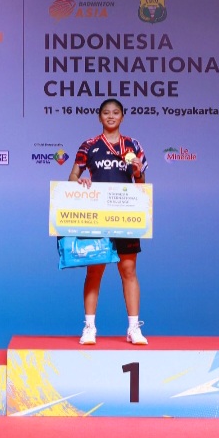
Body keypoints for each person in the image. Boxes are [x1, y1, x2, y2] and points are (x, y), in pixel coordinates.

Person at [67, 98, 149, 346]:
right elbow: (72, 176)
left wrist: (137, 172)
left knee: (129, 270)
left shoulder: (133, 145)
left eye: (115, 112)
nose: (111, 116)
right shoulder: (89, 145)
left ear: (122, 116)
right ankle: (89, 327)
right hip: (97, 216)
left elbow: (141, 184)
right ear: (99, 117)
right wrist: (80, 182)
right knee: (94, 270)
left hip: (125, 216)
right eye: (106, 113)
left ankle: (133, 328)